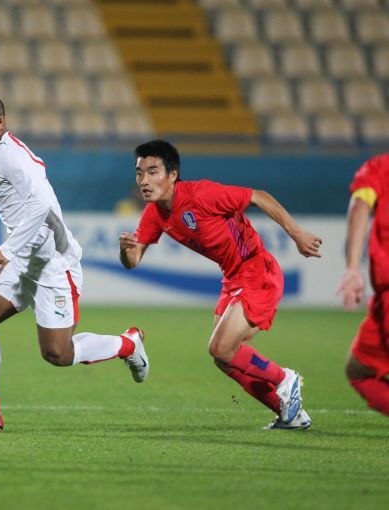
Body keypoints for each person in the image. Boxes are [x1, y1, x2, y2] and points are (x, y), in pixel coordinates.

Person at [0, 93, 149, 432]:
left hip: (53, 263)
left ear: (0, 123)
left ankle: (128, 344)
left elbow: (42, 206)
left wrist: (8, 249)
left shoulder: (13, 157)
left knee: (58, 354)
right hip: (22, 260)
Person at [119, 140, 322, 430]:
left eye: (153, 172)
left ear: (172, 174)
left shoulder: (201, 194)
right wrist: (125, 249)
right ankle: (290, 414)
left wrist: (297, 234)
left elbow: (259, 196)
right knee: (225, 359)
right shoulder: (154, 213)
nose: (144, 180)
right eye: (139, 173)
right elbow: (133, 260)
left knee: (222, 348)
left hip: (257, 271)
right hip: (233, 278)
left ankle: (285, 379)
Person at [337, 153, 389, 417]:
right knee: (358, 368)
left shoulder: (379, 168)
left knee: (359, 372)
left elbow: (359, 206)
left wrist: (352, 267)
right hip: (383, 303)